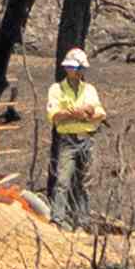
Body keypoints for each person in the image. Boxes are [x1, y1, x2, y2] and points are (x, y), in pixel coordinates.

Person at [45, 47, 107, 224]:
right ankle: (58, 218)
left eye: (75, 68)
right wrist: (74, 113)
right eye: (69, 67)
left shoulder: (89, 90)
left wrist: (86, 114)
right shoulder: (56, 89)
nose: (71, 71)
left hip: (87, 139)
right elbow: (54, 115)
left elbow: (101, 113)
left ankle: (82, 221)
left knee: (85, 182)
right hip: (68, 140)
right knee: (63, 181)